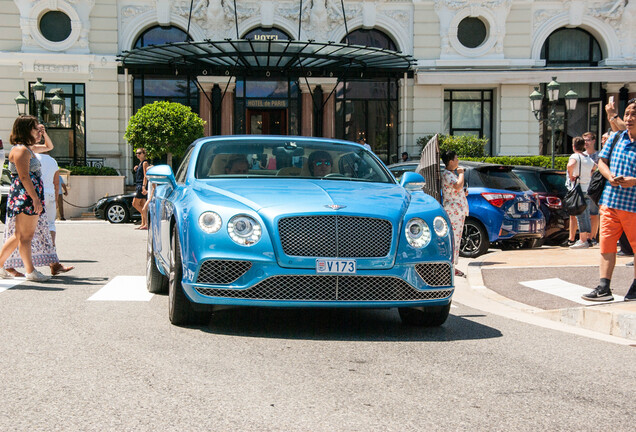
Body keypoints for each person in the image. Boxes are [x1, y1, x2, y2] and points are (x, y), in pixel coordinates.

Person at [582, 100, 636, 302]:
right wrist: (610, 176)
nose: (629, 118)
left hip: (633, 205)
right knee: (606, 245)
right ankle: (604, 287)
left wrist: (634, 181)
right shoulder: (617, 138)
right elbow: (602, 161)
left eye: (633, 115)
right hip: (610, 202)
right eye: (628, 114)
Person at [0, 116, 52, 282]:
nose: (37, 131)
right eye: (35, 128)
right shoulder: (21, 150)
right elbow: (24, 177)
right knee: (25, 236)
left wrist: (44, 133)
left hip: (26, 195)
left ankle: (4, 266)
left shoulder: (26, 148)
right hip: (26, 195)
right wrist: (35, 199)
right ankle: (30, 271)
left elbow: (49, 146)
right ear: (25, 130)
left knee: (19, 236)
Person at [440, 150, 469, 277]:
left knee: (456, 239)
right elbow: (457, 186)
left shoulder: (449, 174)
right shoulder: (448, 174)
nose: (458, 161)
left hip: (457, 210)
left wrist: (463, 193)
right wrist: (461, 174)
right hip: (453, 211)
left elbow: (456, 189)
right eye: (456, 159)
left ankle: (453, 265)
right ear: (451, 161)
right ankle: (452, 266)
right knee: (454, 239)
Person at [566, 137, 596, 249]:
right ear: (583, 145)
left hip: (578, 188)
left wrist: (571, 175)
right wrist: (589, 175)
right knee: (586, 214)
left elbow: (570, 165)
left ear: (573, 146)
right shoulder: (588, 158)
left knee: (580, 214)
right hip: (587, 188)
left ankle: (582, 240)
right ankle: (588, 238)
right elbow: (595, 167)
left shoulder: (575, 156)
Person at [132, 148, 149, 230]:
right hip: (139, 184)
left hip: (141, 185)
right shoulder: (140, 164)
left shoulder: (145, 163)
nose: (137, 154)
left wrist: (143, 186)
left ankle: (147, 219)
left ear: (143, 154)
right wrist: (136, 168)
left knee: (134, 204)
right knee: (142, 204)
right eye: (136, 153)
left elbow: (145, 176)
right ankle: (144, 224)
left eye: (139, 153)